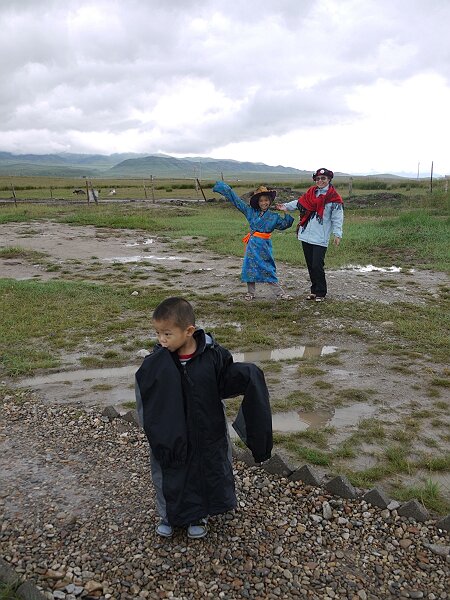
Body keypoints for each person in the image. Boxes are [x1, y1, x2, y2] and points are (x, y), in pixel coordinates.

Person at [135, 297, 272, 539]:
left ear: (189, 331)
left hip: (206, 430)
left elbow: (224, 380)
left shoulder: (213, 356)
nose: (161, 340)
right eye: (157, 333)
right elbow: (145, 397)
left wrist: (247, 376)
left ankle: (198, 514)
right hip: (171, 433)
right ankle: (168, 515)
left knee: (203, 470)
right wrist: (154, 433)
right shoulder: (158, 363)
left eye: (167, 334)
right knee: (169, 472)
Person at [213, 180, 294, 300]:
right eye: (261, 200)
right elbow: (237, 202)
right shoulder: (250, 212)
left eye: (266, 200)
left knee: (268, 268)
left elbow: (284, 225)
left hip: (264, 246)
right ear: (258, 202)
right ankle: (250, 293)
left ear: (270, 201)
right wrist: (226, 190)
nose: (264, 203)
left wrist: (285, 211)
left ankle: (280, 293)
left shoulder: (274, 216)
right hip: (252, 244)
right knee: (249, 267)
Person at [276, 168, 343, 302]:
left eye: (323, 178)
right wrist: (286, 206)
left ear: (329, 180)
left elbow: (337, 217)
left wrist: (337, 233)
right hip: (306, 234)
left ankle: (321, 292)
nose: (320, 181)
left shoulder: (333, 198)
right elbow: (299, 203)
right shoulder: (311, 193)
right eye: (317, 178)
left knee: (317, 264)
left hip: (320, 237)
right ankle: (314, 291)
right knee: (310, 264)